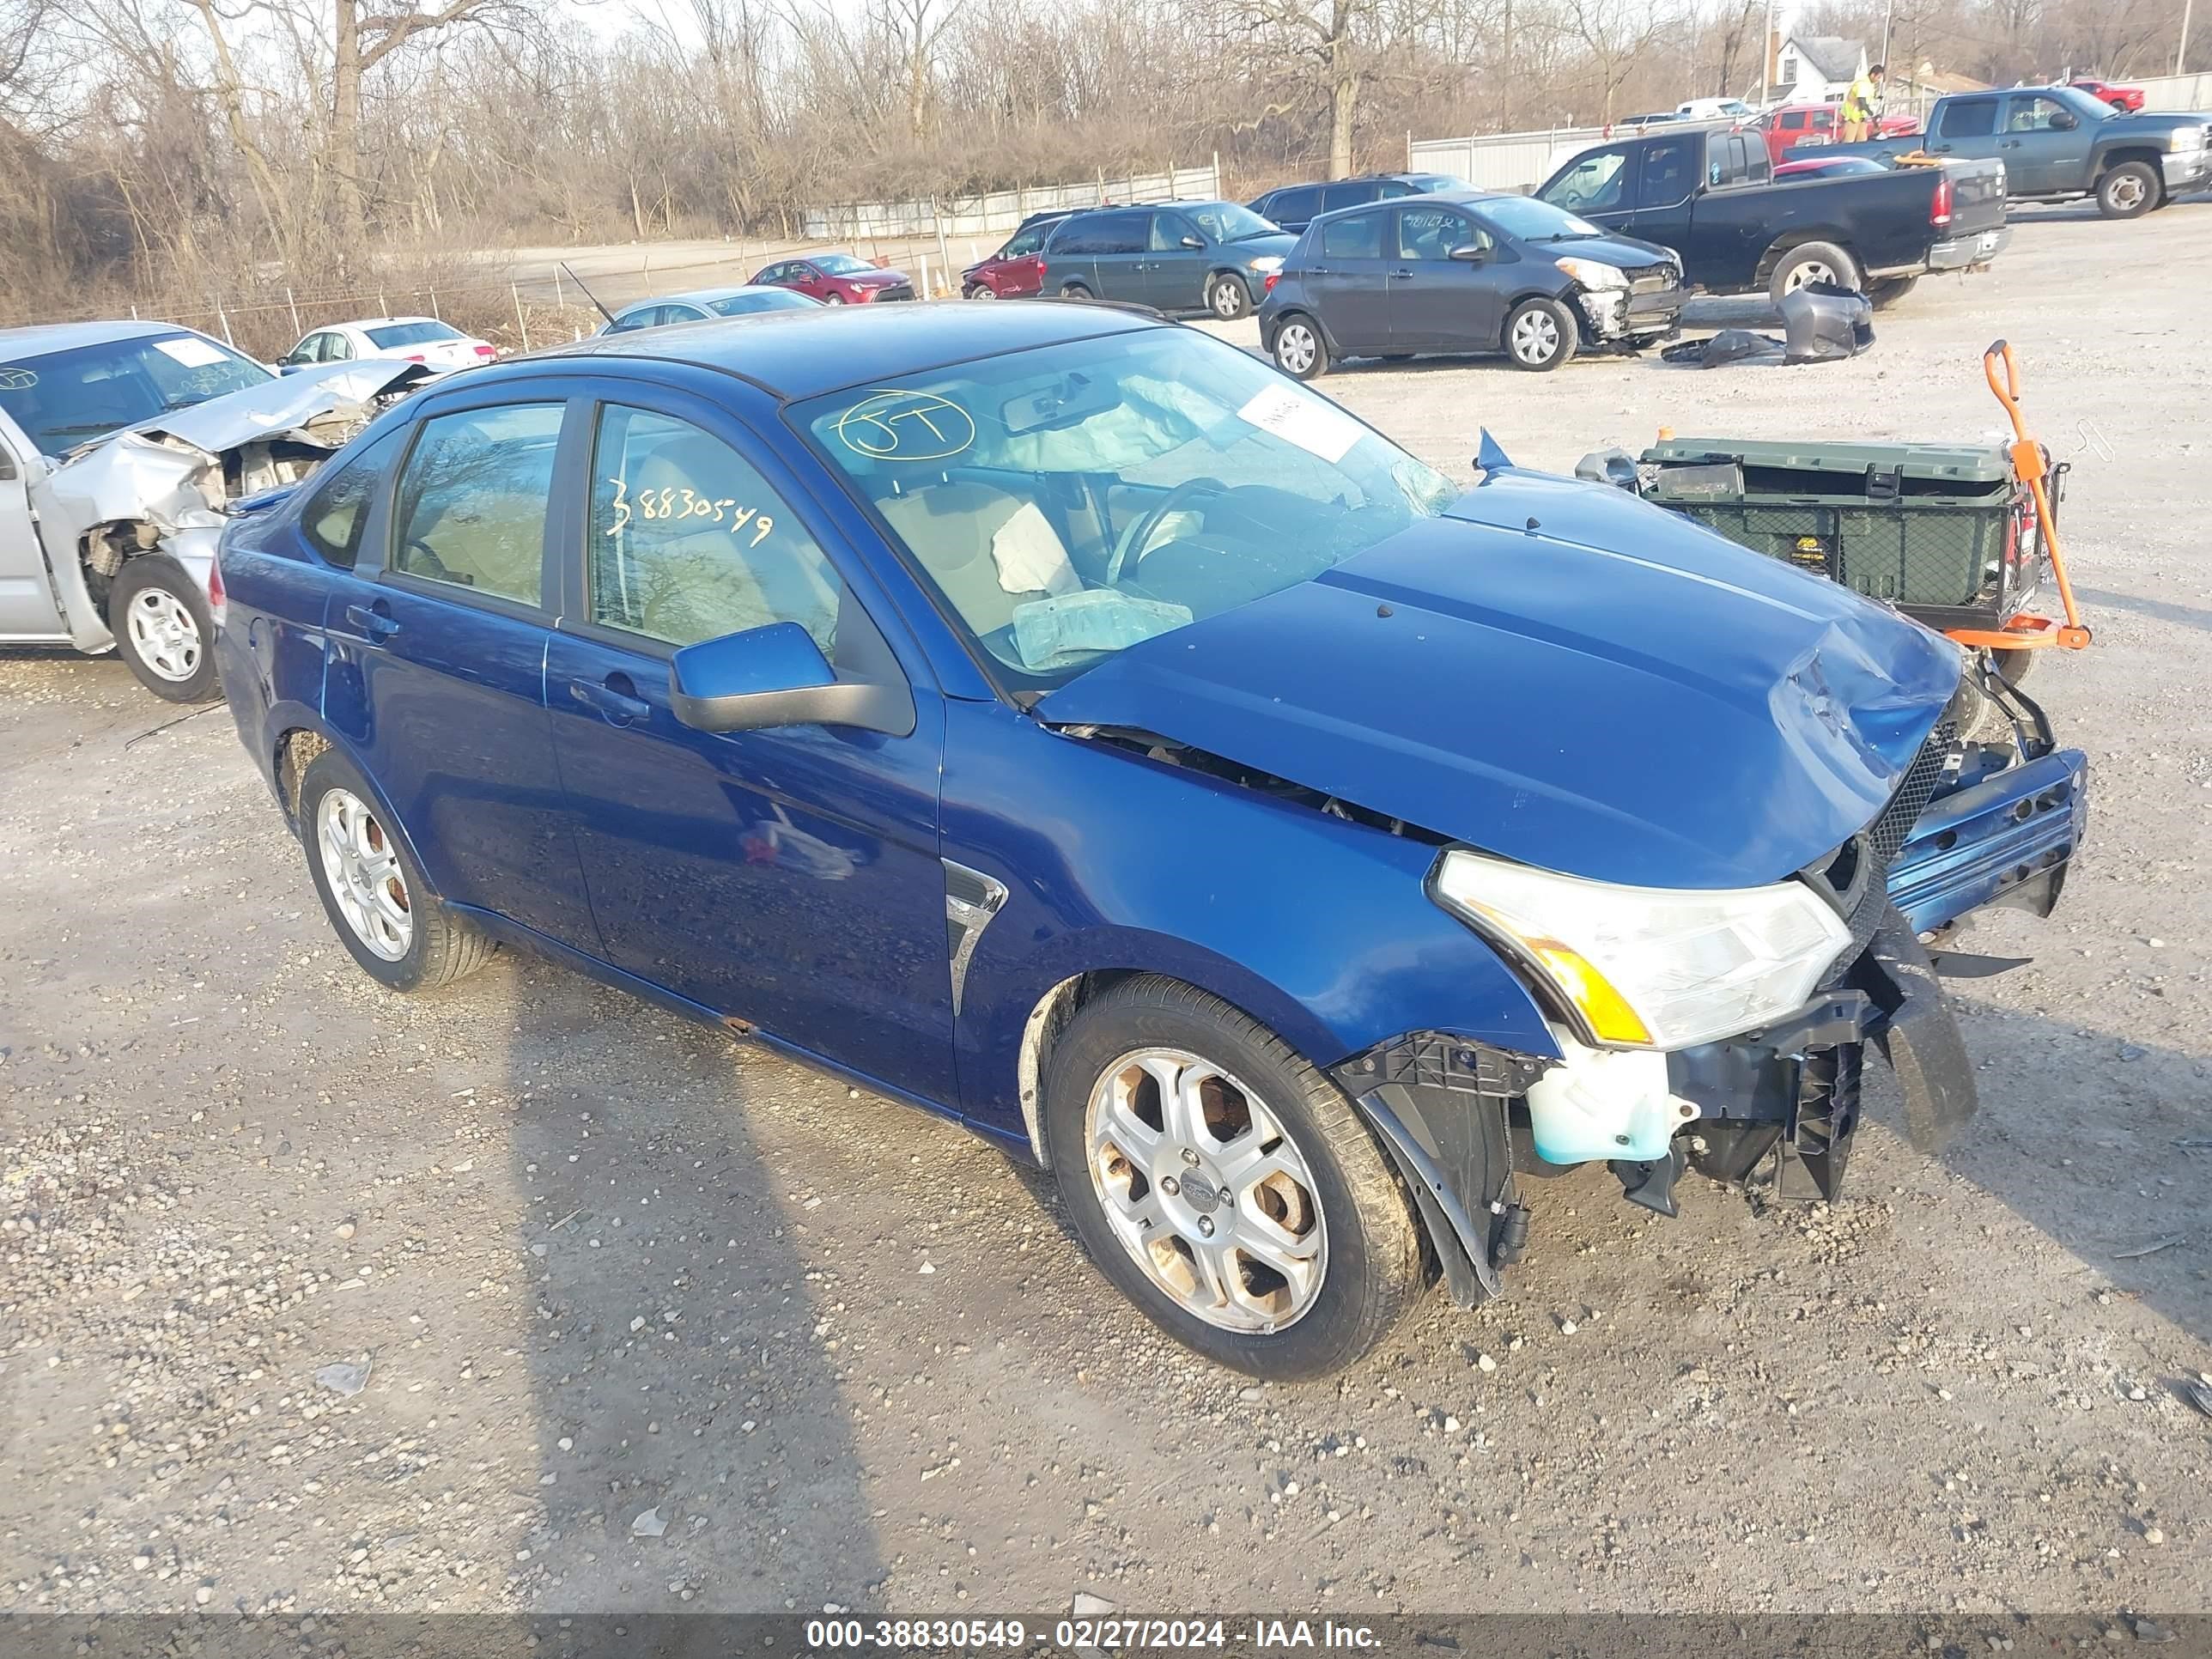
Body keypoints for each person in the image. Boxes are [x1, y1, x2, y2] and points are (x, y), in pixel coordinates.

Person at [1841, 63, 1885, 143]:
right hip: (1853, 116)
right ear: (1872, 75)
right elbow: (1862, 101)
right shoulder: (1862, 84)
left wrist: (1877, 98)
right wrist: (1871, 113)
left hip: (1862, 115)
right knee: (1849, 139)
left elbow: (1868, 97)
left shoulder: (1870, 84)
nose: (1878, 80)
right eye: (1878, 77)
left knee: (1862, 138)